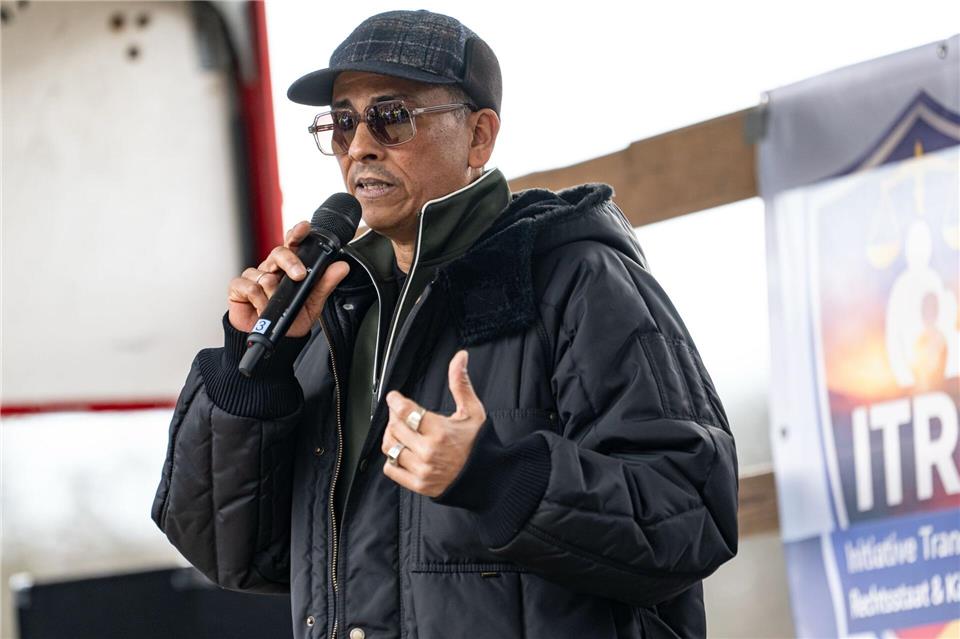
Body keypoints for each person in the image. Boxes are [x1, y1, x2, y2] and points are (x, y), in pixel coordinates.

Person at [151, 9, 739, 639]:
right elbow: (234, 554)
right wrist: (257, 373)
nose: (360, 146)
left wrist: (495, 478)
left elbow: (690, 516)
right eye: (344, 123)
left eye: (392, 116)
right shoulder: (332, 315)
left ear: (479, 137)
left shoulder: (574, 277)